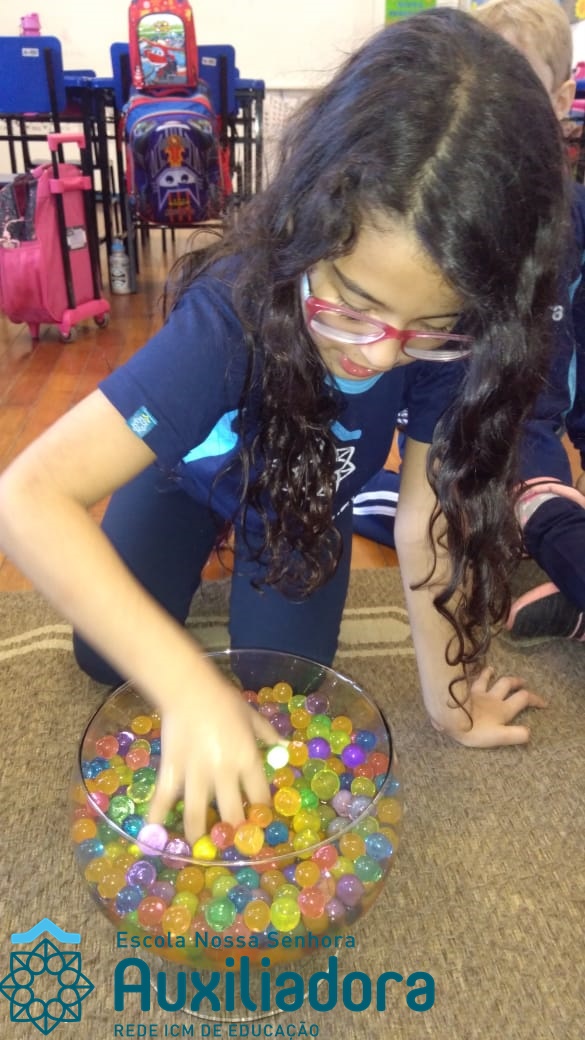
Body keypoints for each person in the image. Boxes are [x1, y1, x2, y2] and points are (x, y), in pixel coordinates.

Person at [0, 9, 572, 842]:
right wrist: (184, 686)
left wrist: (449, 707)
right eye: (353, 306)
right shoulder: (230, 309)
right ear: (306, 224)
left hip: (304, 499)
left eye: (427, 328)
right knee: (105, 658)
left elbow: (424, 520)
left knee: (283, 686)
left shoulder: (457, 332)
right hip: (184, 478)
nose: (380, 355)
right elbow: (26, 495)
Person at [354, 0, 585, 643]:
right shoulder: (440, 209)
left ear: (560, 99)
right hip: (442, 438)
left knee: (537, 511)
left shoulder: (575, 223)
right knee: (439, 516)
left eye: (520, 88)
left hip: (528, 446)